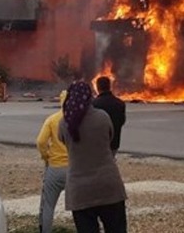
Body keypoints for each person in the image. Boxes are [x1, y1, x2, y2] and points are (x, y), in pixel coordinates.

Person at [60, 81, 127, 233]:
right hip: (108, 186)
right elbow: (109, 139)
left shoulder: (64, 123)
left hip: (79, 190)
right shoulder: (102, 117)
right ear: (89, 96)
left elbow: (64, 142)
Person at [36, 90, 70, 233]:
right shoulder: (79, 120)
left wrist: (46, 157)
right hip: (74, 169)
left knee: (48, 205)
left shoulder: (52, 119)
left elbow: (41, 141)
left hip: (55, 168)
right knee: (80, 206)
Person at [93, 76, 126, 155]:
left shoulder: (94, 104)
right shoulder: (120, 103)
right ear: (110, 86)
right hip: (114, 143)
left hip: (99, 143)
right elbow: (122, 121)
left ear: (97, 87)